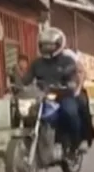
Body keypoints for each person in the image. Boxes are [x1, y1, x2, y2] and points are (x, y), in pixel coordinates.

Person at [19, 27, 84, 155]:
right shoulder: (36, 63)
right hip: (42, 97)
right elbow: (26, 80)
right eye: (45, 45)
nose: (47, 48)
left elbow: (73, 75)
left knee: (69, 112)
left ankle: (75, 144)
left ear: (59, 45)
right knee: (24, 113)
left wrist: (71, 84)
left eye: (51, 45)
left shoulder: (67, 61)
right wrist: (17, 84)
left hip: (63, 96)